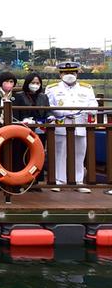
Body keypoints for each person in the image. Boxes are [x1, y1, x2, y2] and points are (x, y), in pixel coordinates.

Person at [46, 62, 97, 191]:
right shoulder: (52, 89)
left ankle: (78, 181)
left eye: (72, 73)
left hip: (80, 124)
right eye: (66, 73)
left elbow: (93, 106)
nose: (69, 75)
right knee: (60, 153)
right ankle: (59, 180)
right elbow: (49, 106)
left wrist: (81, 112)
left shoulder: (86, 88)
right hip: (61, 124)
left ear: (77, 74)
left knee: (80, 154)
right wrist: (64, 113)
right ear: (60, 74)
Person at [13, 72, 49, 187]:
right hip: (23, 130)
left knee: (37, 154)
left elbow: (47, 111)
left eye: (37, 83)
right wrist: (22, 121)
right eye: (33, 82)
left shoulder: (43, 97)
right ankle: (21, 180)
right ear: (27, 83)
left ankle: (35, 181)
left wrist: (49, 117)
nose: (35, 85)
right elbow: (15, 114)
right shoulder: (19, 96)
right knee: (21, 154)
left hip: (39, 129)